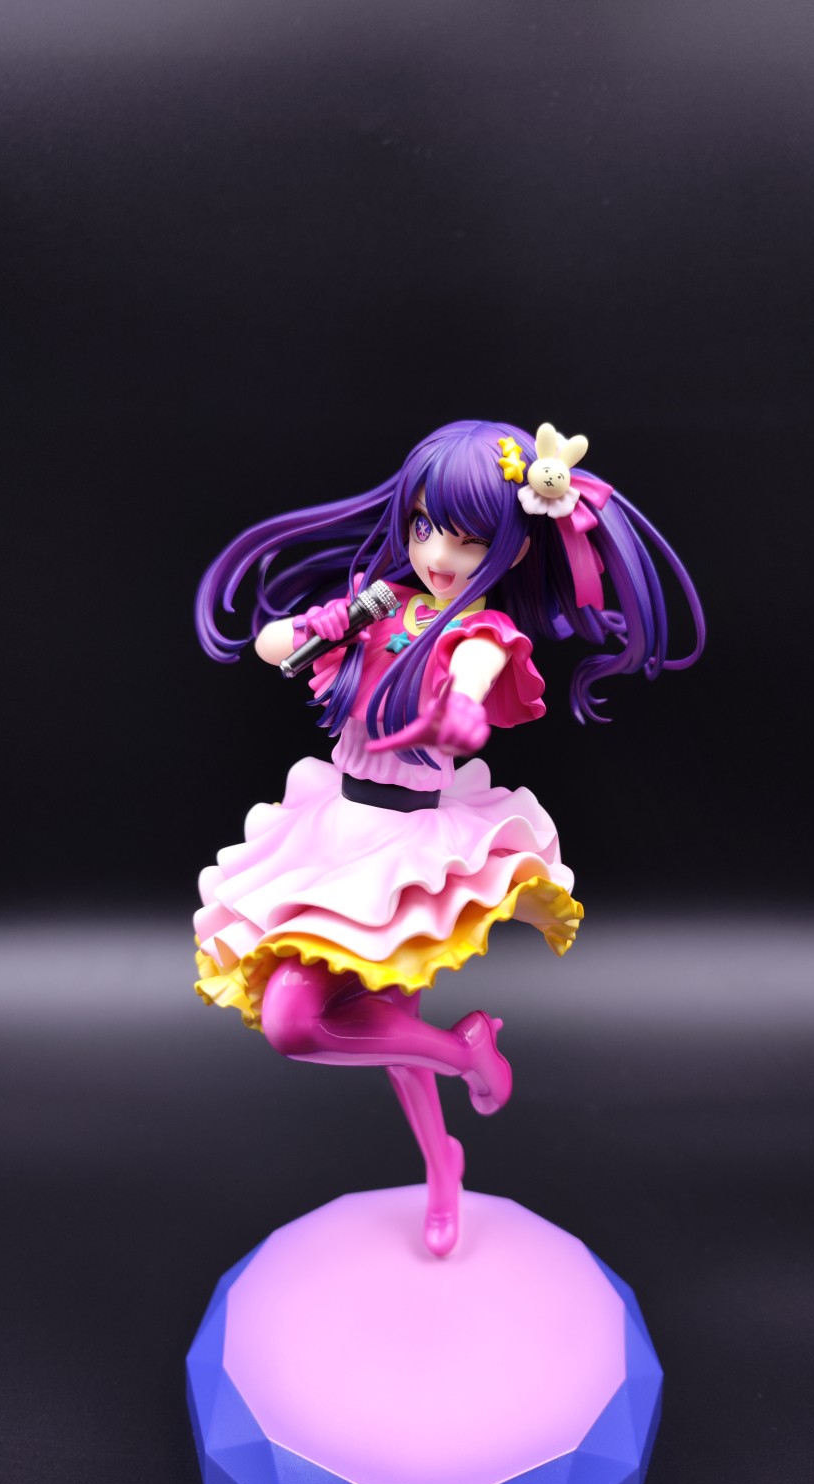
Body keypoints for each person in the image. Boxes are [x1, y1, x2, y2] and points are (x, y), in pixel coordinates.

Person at [193, 419, 704, 1255]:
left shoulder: (481, 630)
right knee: (317, 1025)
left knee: (372, 1029)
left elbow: (476, 670)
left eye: (469, 539)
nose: (439, 553)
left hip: (406, 852)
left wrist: (461, 705)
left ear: (511, 546)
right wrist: (327, 620)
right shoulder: (380, 602)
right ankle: (464, 1064)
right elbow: (267, 645)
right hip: (333, 832)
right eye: (426, 526)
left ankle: (442, 1168)